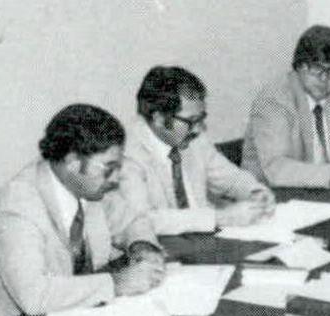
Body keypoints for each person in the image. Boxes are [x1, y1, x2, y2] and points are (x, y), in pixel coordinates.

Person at [0, 104, 166, 316]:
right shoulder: (17, 207)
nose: (116, 178)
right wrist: (116, 283)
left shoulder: (88, 187)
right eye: (109, 168)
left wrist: (142, 247)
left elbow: (132, 221)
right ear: (72, 162)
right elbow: (34, 296)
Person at [103, 65, 275, 236]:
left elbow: (232, 179)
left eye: (201, 118)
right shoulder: (126, 155)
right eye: (191, 121)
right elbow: (142, 219)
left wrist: (255, 193)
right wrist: (220, 218)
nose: (198, 129)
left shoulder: (194, 139)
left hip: (203, 242)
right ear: (159, 118)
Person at [241, 25, 330, 188]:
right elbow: (277, 170)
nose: (324, 79)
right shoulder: (274, 100)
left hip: (322, 194)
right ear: (300, 66)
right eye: (317, 68)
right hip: (271, 195)